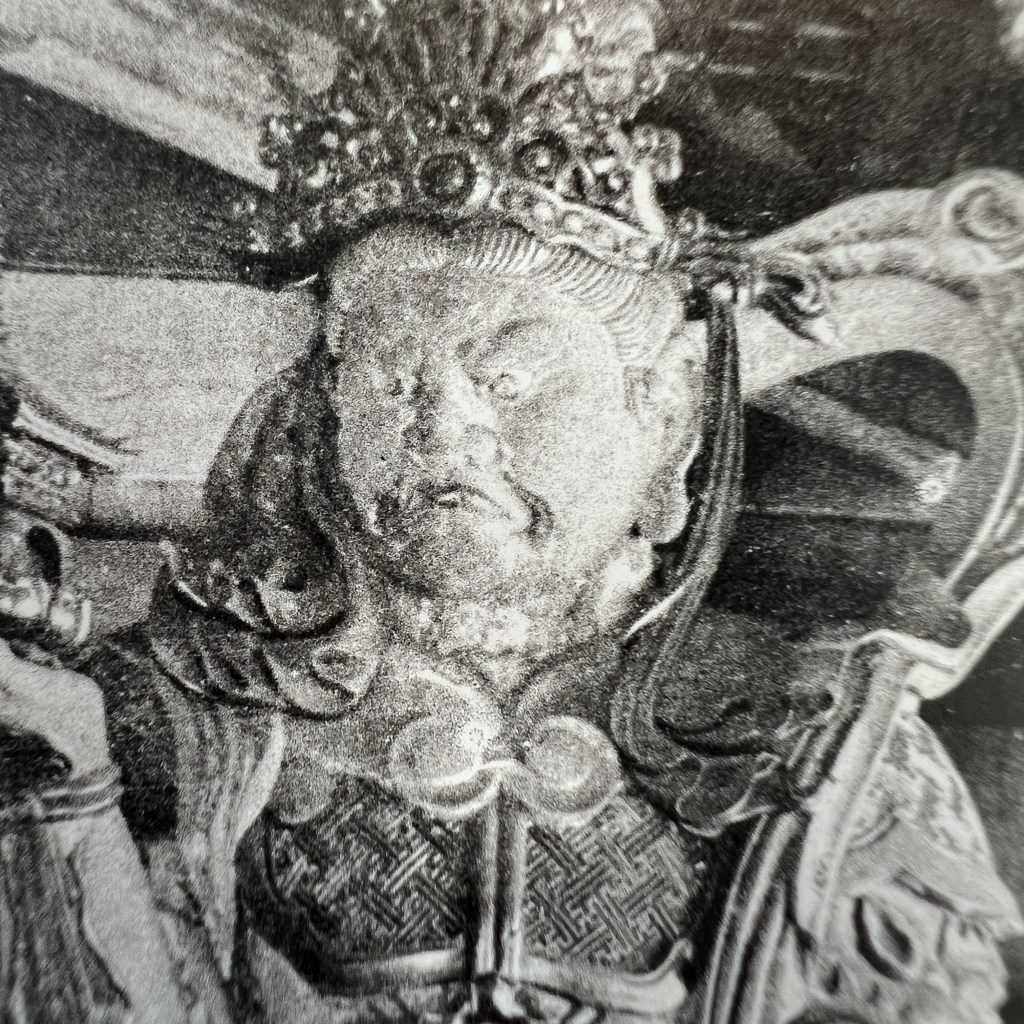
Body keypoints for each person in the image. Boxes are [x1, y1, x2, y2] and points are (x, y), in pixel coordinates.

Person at [0, 2, 1019, 1022]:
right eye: (394, 383)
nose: (443, 433)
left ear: (664, 418)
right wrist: (69, 792)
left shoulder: (823, 745)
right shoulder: (169, 712)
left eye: (512, 380)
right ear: (325, 412)